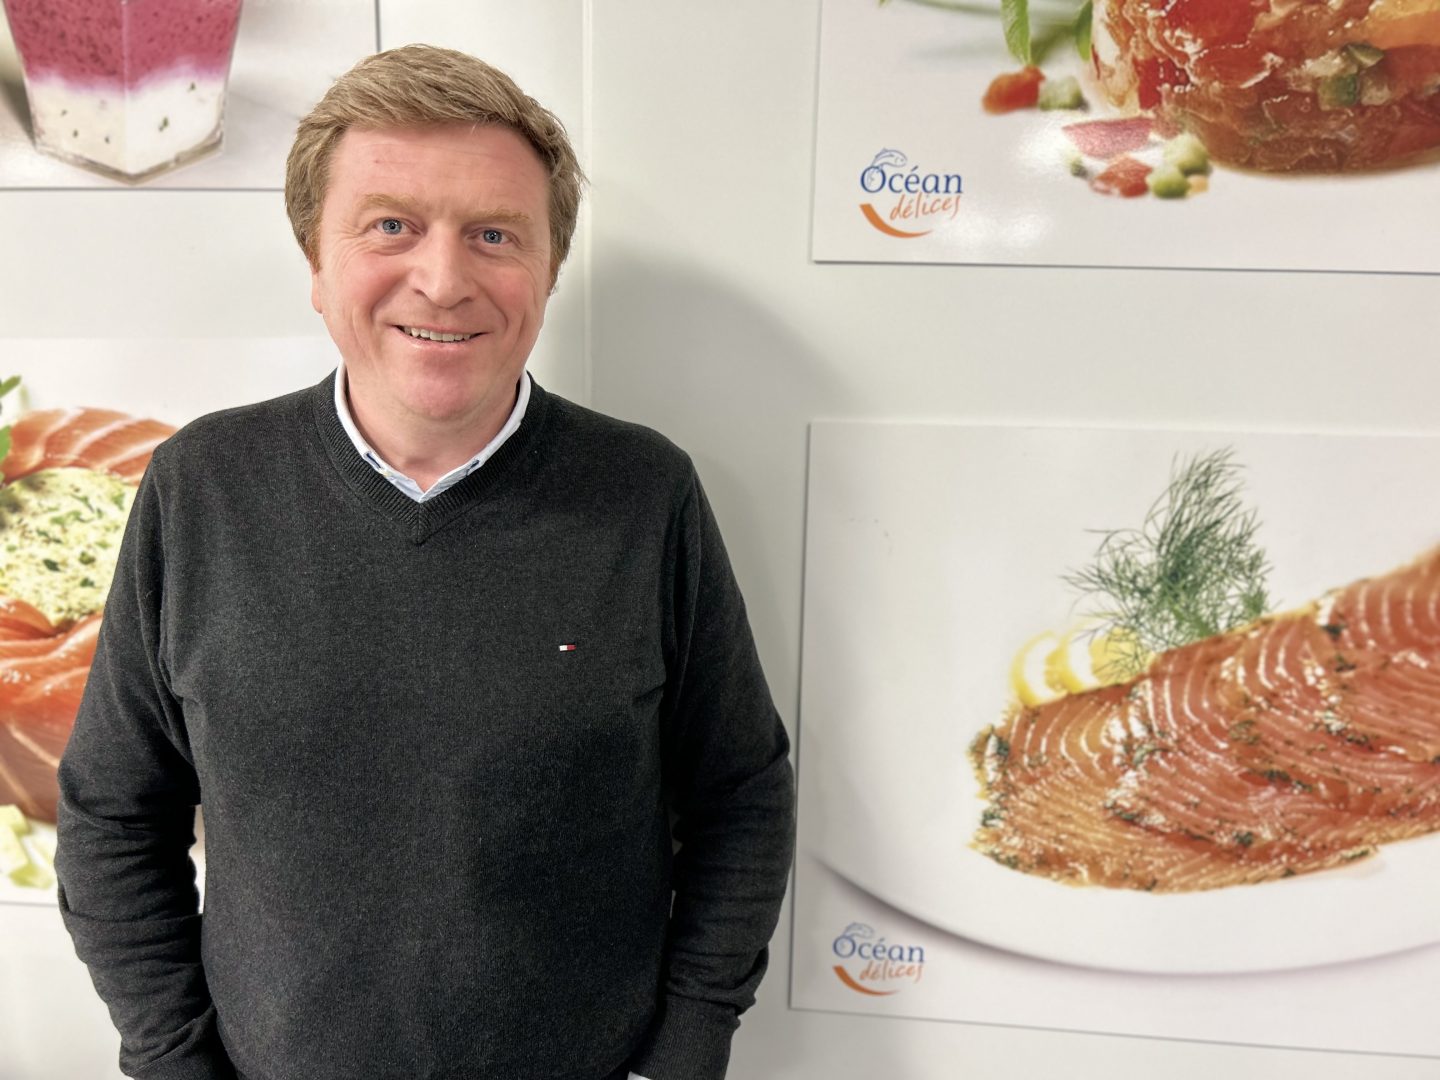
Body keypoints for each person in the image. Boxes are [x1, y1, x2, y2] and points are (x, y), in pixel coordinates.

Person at [55, 45, 795, 1080]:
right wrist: (175, 1060)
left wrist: (685, 1050)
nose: (443, 281)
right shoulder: (202, 486)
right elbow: (112, 816)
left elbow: (741, 795)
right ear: (316, 263)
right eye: (391, 226)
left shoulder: (644, 492)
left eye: (494, 234)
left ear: (547, 270)